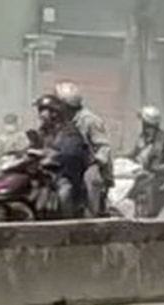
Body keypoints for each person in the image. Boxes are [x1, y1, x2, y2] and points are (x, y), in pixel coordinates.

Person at [54, 81, 111, 216]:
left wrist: (94, 161)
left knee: (91, 180)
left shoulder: (90, 120)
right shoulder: (65, 120)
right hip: (72, 164)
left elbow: (103, 147)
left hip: (90, 166)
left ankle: (91, 220)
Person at [35, 93, 91, 217]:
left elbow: (71, 152)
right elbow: (32, 147)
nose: (40, 115)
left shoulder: (68, 131)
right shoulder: (42, 131)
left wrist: (54, 157)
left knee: (64, 193)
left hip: (62, 175)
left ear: (54, 113)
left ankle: (68, 225)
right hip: (41, 175)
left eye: (43, 111)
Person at [129, 105, 164, 218]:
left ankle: (149, 216)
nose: (142, 125)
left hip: (158, 179)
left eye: (144, 122)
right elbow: (134, 154)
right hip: (140, 175)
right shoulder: (142, 138)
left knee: (145, 189)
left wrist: (157, 169)